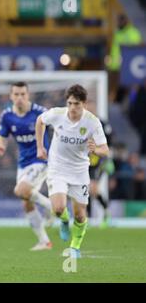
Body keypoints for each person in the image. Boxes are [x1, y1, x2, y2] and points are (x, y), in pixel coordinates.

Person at [36, 84, 109, 259]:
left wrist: (96, 150)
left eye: (76, 104)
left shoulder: (92, 122)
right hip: (57, 168)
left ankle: (75, 248)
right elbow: (40, 121)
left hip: (79, 171)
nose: (72, 108)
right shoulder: (57, 114)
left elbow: (105, 149)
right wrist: (40, 147)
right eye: (70, 103)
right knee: (59, 207)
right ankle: (63, 220)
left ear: (83, 104)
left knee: (80, 214)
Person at [0, 81, 54, 251]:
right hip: (23, 163)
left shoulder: (40, 113)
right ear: (11, 96)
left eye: (23, 94)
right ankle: (44, 241)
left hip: (41, 159)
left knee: (20, 191)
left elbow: (59, 126)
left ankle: (50, 205)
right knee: (26, 202)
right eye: (16, 94)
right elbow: (2, 135)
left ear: (28, 95)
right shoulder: (7, 116)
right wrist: (0, 145)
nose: (20, 98)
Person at [88, 119, 115, 228]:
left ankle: (106, 213)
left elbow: (109, 143)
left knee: (92, 188)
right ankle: (87, 219)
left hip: (99, 161)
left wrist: (108, 158)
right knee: (86, 190)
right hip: (86, 162)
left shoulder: (101, 124)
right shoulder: (80, 122)